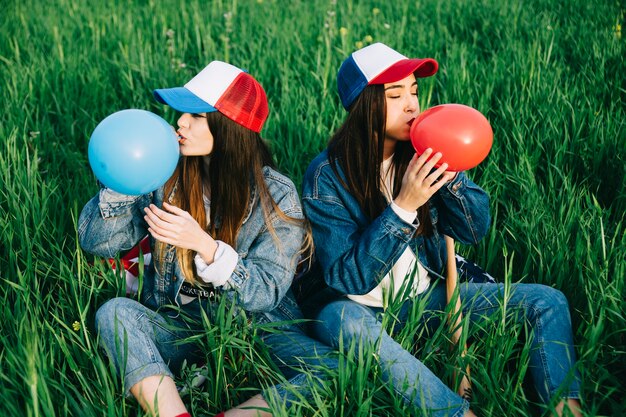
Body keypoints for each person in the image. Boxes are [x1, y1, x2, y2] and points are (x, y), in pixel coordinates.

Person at [298, 43, 582, 417]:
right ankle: (456, 413)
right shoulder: (326, 177)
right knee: (345, 324)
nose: (412, 105)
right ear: (362, 105)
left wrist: (452, 181)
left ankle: (566, 409)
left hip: (424, 302)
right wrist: (403, 207)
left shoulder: (425, 151)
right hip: (358, 310)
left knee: (547, 301)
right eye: (395, 94)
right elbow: (348, 278)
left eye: (414, 90)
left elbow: (473, 229)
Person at [79, 60, 336, 417]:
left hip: (252, 328)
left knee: (330, 370)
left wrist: (206, 246)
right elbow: (98, 244)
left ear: (231, 127)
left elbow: (266, 293)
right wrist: (121, 184)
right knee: (115, 314)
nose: (179, 123)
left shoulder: (276, 196)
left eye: (196, 115)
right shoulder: (163, 175)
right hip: (179, 322)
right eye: (181, 112)